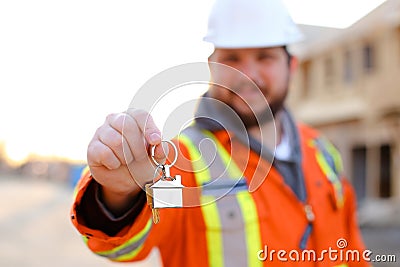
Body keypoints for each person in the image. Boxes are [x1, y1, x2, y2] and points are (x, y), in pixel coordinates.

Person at [71, 0, 371, 266]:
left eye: (265, 56)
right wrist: (119, 193)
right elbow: (125, 246)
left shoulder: (320, 150)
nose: (248, 76)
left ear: (291, 67)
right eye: (233, 59)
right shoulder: (178, 163)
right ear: (212, 66)